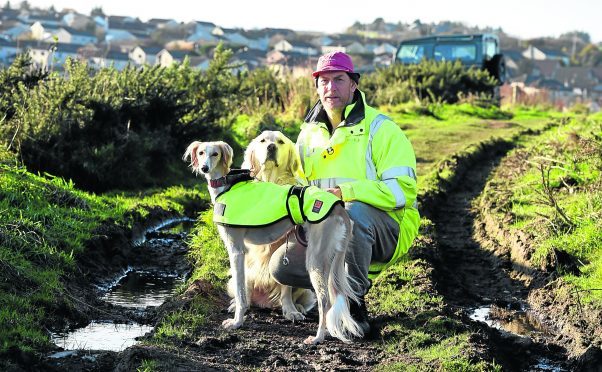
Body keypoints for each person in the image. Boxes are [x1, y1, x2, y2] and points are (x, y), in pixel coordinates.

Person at [269, 51, 420, 334]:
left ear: (354, 84)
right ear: (316, 87)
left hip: (385, 228)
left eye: (339, 79)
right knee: (282, 267)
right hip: (327, 229)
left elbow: (403, 191)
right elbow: (301, 187)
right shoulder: (307, 135)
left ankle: (352, 302)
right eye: (323, 81)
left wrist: (347, 192)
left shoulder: (381, 129)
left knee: (352, 214)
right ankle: (332, 291)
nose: (330, 88)